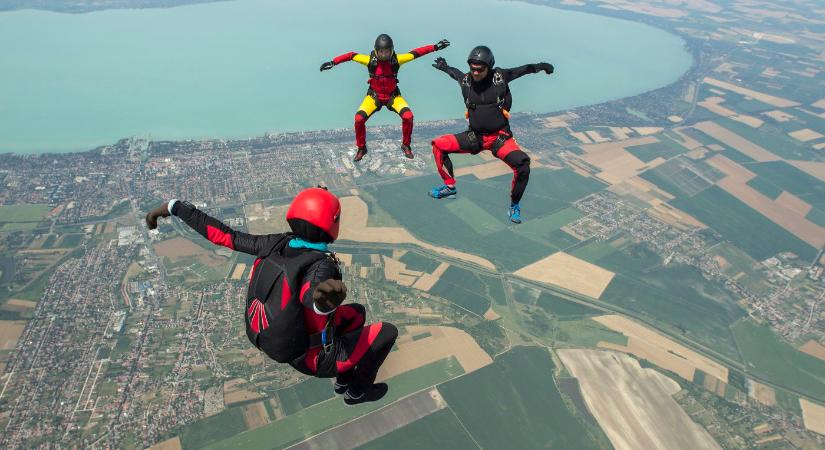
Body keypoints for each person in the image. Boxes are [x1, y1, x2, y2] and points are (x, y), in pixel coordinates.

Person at [145, 187, 397, 405]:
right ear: (332, 223)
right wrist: (323, 300)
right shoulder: (321, 264)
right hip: (313, 358)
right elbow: (311, 296)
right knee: (387, 332)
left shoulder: (274, 244)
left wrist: (175, 207)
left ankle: (343, 381)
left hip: (276, 340)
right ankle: (357, 392)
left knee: (357, 313)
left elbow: (225, 236)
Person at [430, 46, 554, 224]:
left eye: (480, 69)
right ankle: (449, 187)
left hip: (500, 138)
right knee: (438, 145)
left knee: (523, 166)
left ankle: (514, 206)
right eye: (472, 68)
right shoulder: (466, 81)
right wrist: (444, 67)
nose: (475, 72)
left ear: (489, 67)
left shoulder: (500, 77)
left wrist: (541, 66)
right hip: (475, 137)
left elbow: (522, 70)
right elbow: (455, 73)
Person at [321, 34, 450, 161]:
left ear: (391, 50)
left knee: (408, 117)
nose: (384, 55)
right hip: (374, 97)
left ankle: (406, 145)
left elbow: (416, 53)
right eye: (381, 52)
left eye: (387, 52)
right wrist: (333, 62)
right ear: (376, 51)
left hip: (393, 96)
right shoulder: (369, 60)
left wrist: (435, 47)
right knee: (358, 119)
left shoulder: (397, 60)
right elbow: (351, 55)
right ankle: (361, 148)